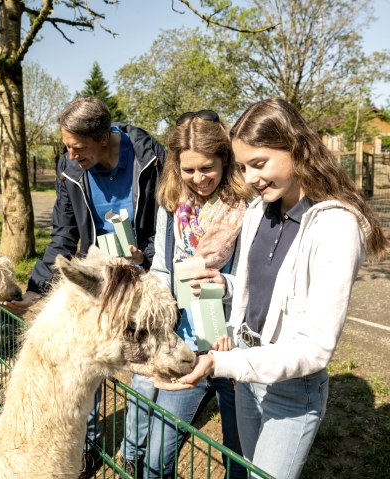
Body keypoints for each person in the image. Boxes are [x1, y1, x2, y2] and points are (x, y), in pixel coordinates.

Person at [155, 98, 389, 478]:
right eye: (243, 166)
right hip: (248, 376)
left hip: (290, 390)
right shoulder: (257, 212)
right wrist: (225, 285)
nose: (249, 178)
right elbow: (262, 290)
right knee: (248, 470)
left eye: (259, 164)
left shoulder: (335, 228)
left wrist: (220, 363)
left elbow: (314, 349)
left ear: (296, 150)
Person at [2, 96, 166, 479]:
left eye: (77, 147)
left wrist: (148, 256)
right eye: (66, 147)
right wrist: (34, 290)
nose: (70, 155)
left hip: (142, 272)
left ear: (103, 137)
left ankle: (133, 451)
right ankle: (86, 448)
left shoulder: (150, 159)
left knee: (140, 356)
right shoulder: (70, 167)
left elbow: (168, 225)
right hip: (96, 276)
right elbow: (64, 233)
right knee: (85, 356)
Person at [117, 109, 253, 479]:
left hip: (233, 344)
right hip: (187, 343)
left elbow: (254, 280)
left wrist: (224, 287)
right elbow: (163, 265)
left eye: (207, 168)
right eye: (189, 170)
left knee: (239, 454)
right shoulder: (173, 203)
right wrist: (153, 300)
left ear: (225, 160)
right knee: (158, 456)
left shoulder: (248, 207)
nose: (198, 179)